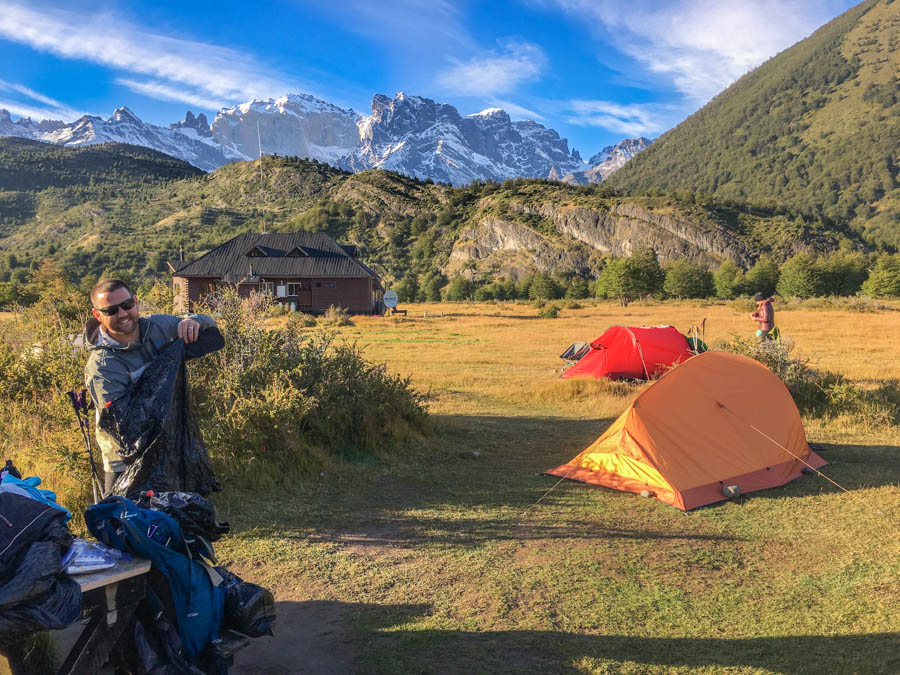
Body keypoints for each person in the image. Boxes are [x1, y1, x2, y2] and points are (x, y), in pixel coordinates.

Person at [83, 279, 222, 494]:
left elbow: (211, 329)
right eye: (111, 310)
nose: (122, 314)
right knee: (125, 520)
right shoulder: (102, 366)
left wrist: (192, 321)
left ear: (136, 302)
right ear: (98, 315)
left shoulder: (159, 327)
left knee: (177, 516)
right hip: (124, 458)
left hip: (170, 447)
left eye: (127, 305)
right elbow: (123, 424)